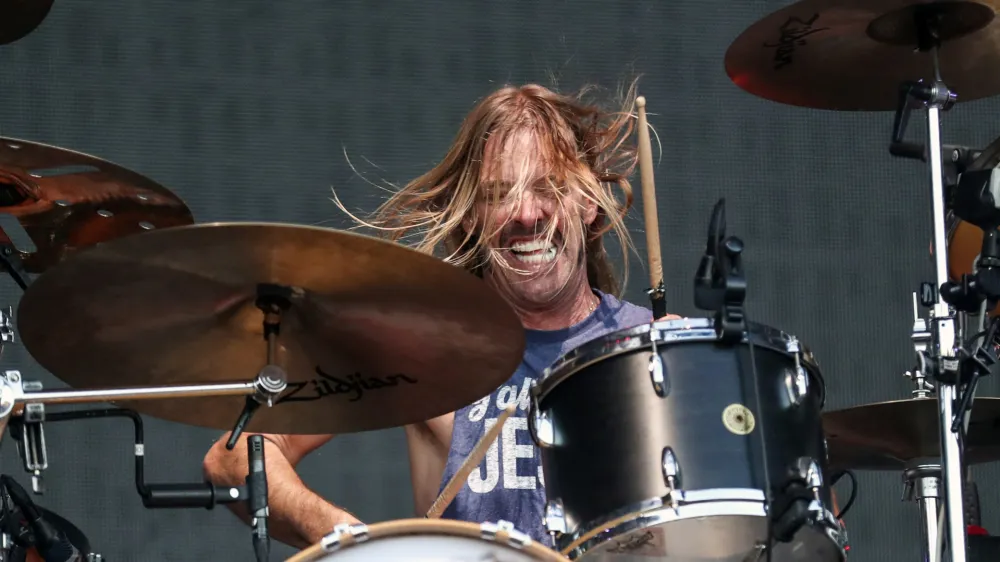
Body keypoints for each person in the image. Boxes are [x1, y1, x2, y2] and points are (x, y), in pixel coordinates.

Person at [201, 81, 680, 550]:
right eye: (498, 195)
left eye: (548, 187)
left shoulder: (653, 348)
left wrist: (687, 400)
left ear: (590, 202)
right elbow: (237, 456)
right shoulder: (424, 345)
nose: (527, 214)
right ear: (470, 214)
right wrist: (346, 538)